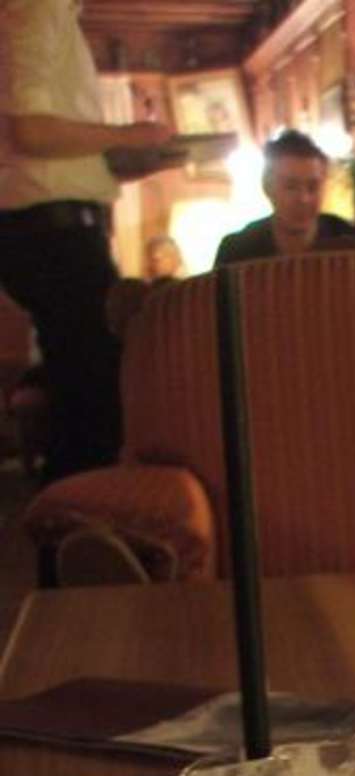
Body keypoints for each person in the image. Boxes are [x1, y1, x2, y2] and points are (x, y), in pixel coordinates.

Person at [0, 0, 181, 483]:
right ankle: (76, 524)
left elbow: (39, 143)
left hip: (48, 228)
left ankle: (74, 521)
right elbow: (31, 130)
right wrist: (129, 136)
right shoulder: (38, 7)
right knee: (95, 407)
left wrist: (125, 159)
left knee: (86, 400)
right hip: (53, 233)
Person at [213, 129, 355, 266]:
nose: (304, 199)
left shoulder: (353, 245)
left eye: (313, 187)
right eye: (290, 187)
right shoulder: (236, 251)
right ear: (267, 187)